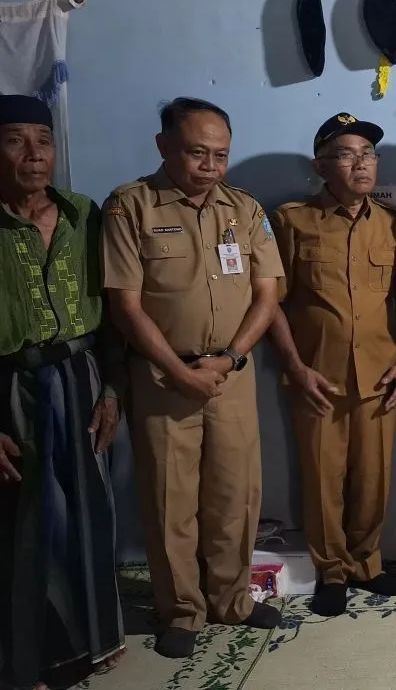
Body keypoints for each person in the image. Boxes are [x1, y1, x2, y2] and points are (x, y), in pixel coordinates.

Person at [101, 98, 284, 659]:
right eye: (197, 152)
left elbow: (267, 294)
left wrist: (227, 359)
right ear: (164, 146)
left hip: (230, 374)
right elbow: (125, 304)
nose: (210, 166)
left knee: (235, 493)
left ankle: (232, 600)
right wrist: (179, 371)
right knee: (169, 500)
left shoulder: (244, 209)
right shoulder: (130, 206)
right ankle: (181, 610)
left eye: (221, 155)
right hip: (162, 378)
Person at [268, 112, 396, 617]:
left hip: (380, 374)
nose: (362, 164)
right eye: (347, 155)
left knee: (374, 479)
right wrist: (294, 366)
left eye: (369, 154)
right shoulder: (291, 221)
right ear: (320, 166)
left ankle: (366, 563)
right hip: (317, 376)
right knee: (322, 478)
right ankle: (331, 570)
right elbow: (270, 302)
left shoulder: (395, 224)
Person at [0, 95, 125, 690]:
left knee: (91, 510)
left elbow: (114, 311)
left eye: (44, 141)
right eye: (15, 140)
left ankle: (96, 641)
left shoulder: (83, 213)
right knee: (27, 522)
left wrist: (113, 392)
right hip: (11, 387)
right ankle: (34, 659)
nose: (34, 155)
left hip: (83, 378)